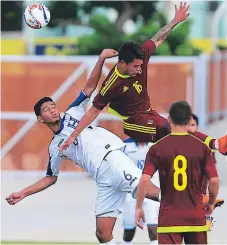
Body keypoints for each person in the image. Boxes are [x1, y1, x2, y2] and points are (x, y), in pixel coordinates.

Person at [5, 49, 160, 245]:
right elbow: (50, 178)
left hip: (111, 157)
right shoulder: (55, 147)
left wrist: (101, 59)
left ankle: (192, 202)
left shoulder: (73, 113)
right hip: (102, 178)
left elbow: (89, 87)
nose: (52, 109)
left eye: (53, 106)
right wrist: (23, 193)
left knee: (148, 191)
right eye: (46, 109)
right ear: (39, 118)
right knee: (103, 234)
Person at [60, 2, 227, 158]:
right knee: (169, 130)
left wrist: (175, 21)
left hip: (148, 113)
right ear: (123, 63)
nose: (140, 69)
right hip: (133, 122)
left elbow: (158, 38)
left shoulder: (140, 54)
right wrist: (73, 136)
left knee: (178, 127)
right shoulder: (112, 85)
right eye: (136, 67)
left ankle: (212, 147)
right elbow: (93, 112)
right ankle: (207, 149)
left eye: (142, 65)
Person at [135, 101, 219, 244]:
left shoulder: (157, 148)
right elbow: (214, 180)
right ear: (188, 121)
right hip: (195, 217)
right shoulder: (202, 148)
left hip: (169, 218)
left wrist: (138, 207)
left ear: (169, 119)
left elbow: (144, 180)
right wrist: (211, 203)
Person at [188, 113, 224, 231]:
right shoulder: (177, 143)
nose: (190, 128)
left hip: (199, 193)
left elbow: (211, 174)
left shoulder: (207, 145)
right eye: (188, 125)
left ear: (198, 127)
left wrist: (210, 198)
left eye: (193, 125)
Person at [121, 139, 160, 245]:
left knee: (153, 229)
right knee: (129, 232)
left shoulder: (156, 145)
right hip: (131, 193)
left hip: (151, 192)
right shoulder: (125, 145)